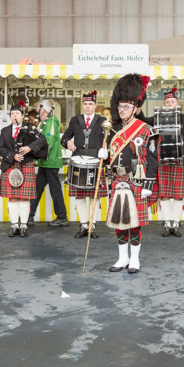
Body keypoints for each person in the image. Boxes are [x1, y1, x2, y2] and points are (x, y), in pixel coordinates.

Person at [102, 74, 158, 274]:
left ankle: (134, 259)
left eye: (126, 107)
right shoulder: (112, 129)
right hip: (117, 180)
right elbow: (109, 159)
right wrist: (104, 155)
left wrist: (148, 186)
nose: (121, 110)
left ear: (136, 108)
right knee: (119, 222)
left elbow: (152, 161)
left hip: (137, 181)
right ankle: (122, 258)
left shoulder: (147, 130)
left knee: (134, 224)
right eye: (120, 106)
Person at [150, 88, 184, 237]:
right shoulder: (157, 118)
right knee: (164, 195)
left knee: (178, 195)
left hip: (179, 160)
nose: (170, 104)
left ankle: (176, 224)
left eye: (172, 102)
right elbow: (143, 120)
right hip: (162, 161)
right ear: (164, 104)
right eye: (167, 102)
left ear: (178, 104)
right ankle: (167, 224)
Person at [61, 90, 108, 238]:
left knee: (95, 196)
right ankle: (83, 225)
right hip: (78, 161)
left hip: (96, 162)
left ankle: (92, 226)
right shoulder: (76, 120)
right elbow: (65, 137)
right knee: (79, 197)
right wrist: (67, 142)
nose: (88, 107)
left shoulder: (102, 121)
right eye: (85, 104)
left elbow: (110, 139)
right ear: (82, 105)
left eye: (90, 104)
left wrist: (105, 151)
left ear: (95, 106)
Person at [0, 102, 46, 237]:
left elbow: (42, 140)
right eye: (12, 114)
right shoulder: (5, 131)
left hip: (25, 165)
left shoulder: (29, 128)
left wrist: (29, 148)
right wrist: (12, 156)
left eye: (17, 113)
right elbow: (0, 148)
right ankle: (14, 226)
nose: (15, 116)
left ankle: (23, 226)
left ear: (22, 115)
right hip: (10, 165)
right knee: (12, 198)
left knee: (24, 198)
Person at [28, 99, 69, 227]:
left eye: (38, 108)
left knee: (53, 190)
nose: (36, 110)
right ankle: (29, 215)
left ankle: (61, 217)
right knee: (38, 189)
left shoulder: (50, 122)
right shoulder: (45, 122)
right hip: (45, 162)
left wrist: (34, 152)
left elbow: (47, 141)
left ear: (44, 110)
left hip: (50, 161)